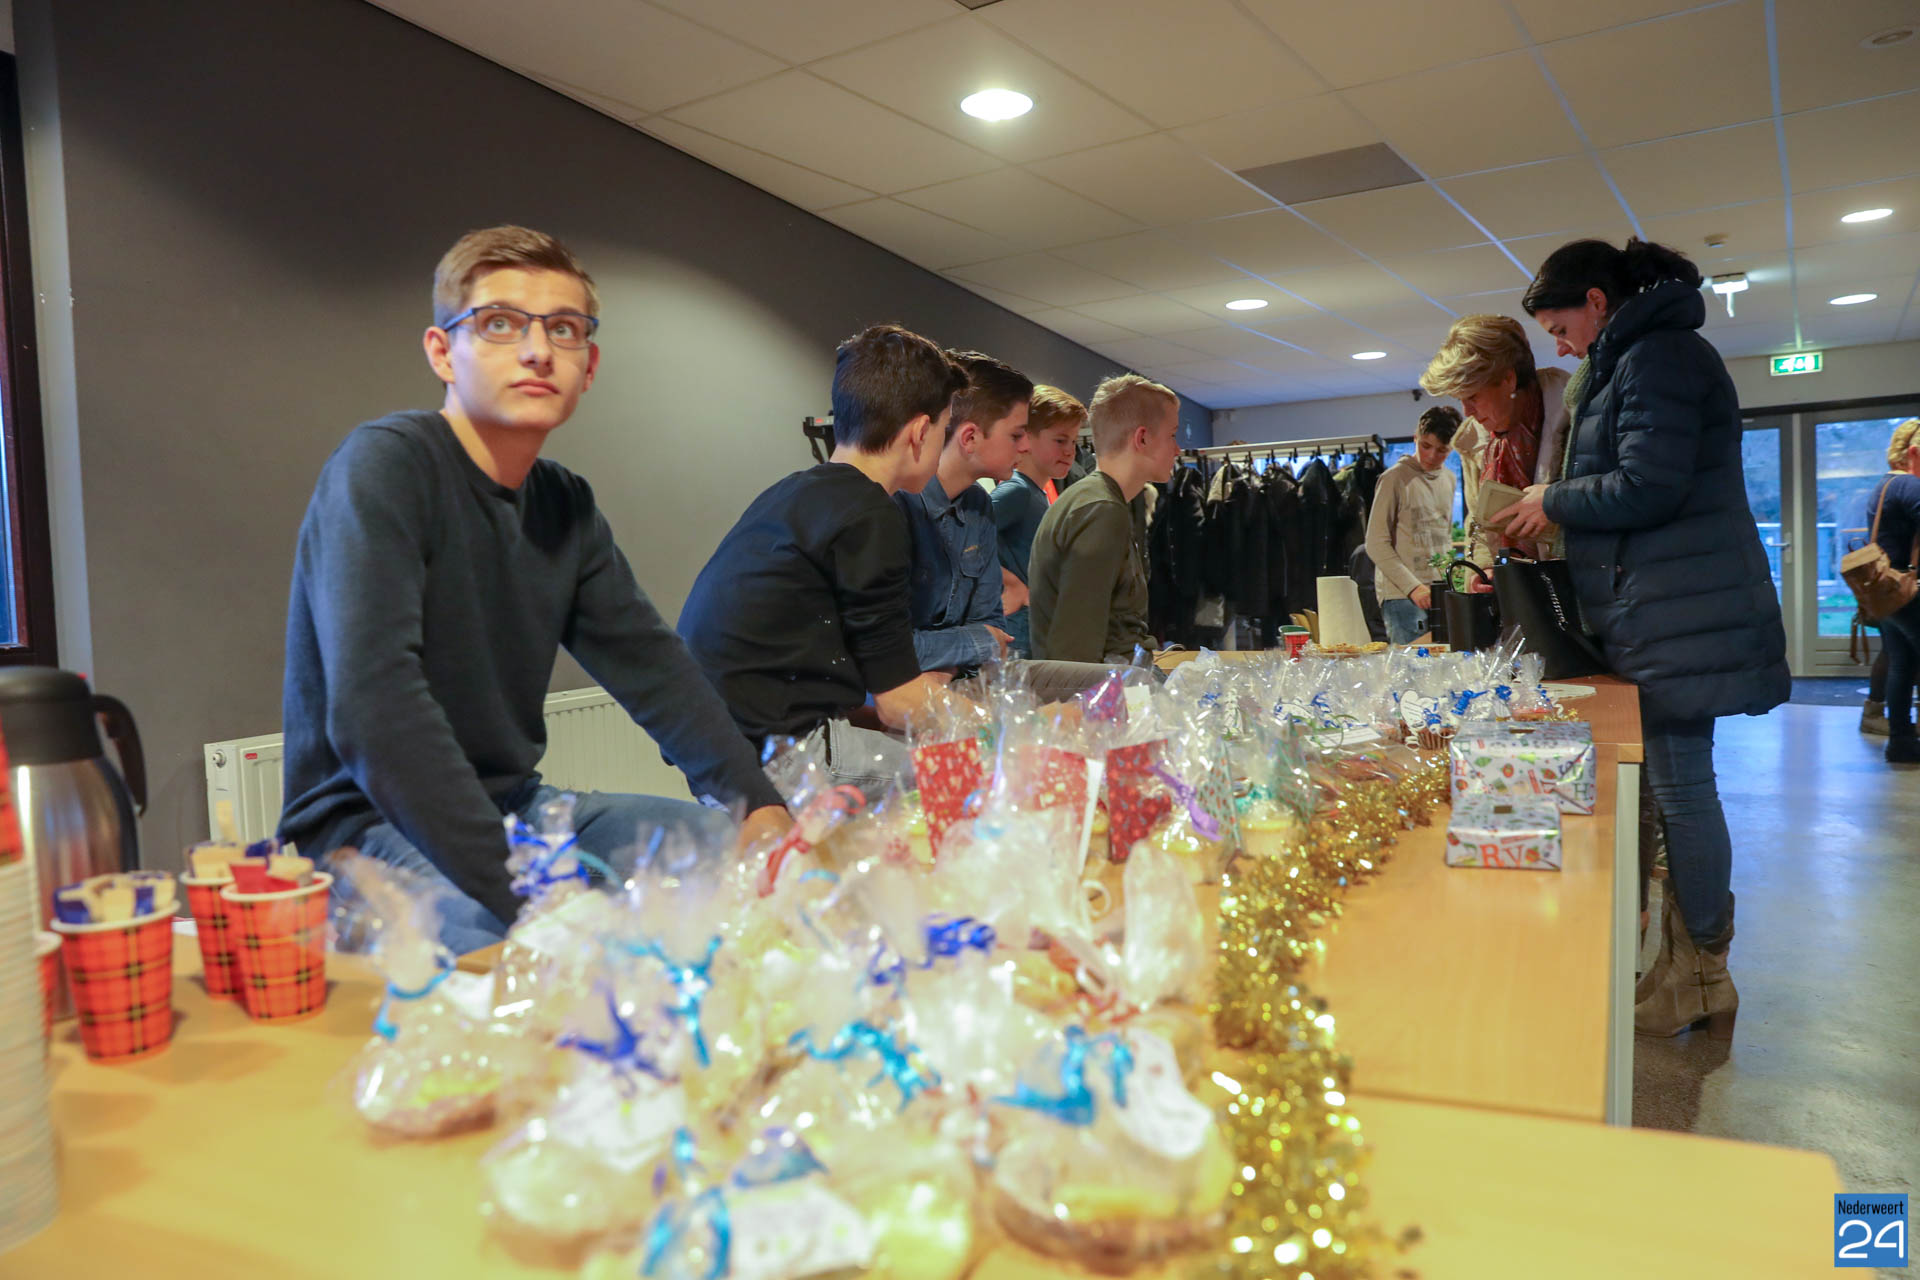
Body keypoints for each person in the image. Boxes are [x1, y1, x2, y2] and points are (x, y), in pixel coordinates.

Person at [278, 226, 790, 956]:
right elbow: (375, 711)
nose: (537, 350)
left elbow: (656, 671)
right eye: (499, 323)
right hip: (363, 831)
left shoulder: (563, 505)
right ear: (441, 351)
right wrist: (533, 895)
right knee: (524, 949)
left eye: (563, 329)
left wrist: (756, 806)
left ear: (589, 366)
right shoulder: (387, 466)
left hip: (518, 808)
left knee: (745, 863)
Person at [1498, 237, 1789, 1040]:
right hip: (1669, 609)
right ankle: (1688, 964)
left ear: (1597, 301)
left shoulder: (1657, 357)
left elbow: (1647, 484)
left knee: (1684, 788)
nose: (1561, 348)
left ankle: (1700, 973)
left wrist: (1553, 499)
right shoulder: (1639, 357)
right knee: (1676, 786)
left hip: (1679, 613)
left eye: (1562, 329)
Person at [678, 323, 967, 797]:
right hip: (783, 757)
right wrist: (994, 724)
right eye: (944, 429)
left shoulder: (793, 492)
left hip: (715, 753)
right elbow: (899, 703)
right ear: (919, 432)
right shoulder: (872, 515)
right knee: (972, 773)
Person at [896, 351, 1032, 674]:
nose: (1026, 446)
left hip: (963, 681)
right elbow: (892, 650)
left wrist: (968, 649)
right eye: (1016, 435)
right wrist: (977, 642)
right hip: (902, 693)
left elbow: (993, 628)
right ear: (969, 437)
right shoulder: (895, 504)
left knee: (1113, 682)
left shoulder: (978, 504)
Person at [1029, 375, 1181, 662]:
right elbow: (1076, 654)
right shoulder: (1101, 510)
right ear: (1142, 438)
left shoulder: (1098, 501)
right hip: (1106, 687)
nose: (1177, 449)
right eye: (1172, 435)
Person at [1419, 314, 1572, 572]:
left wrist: (1555, 506)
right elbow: (1479, 522)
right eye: (1459, 400)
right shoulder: (1474, 443)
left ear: (1508, 380)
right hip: (1516, 588)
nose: (1467, 412)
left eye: (1473, 397)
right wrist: (1482, 569)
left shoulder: (1578, 418)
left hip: (1578, 584)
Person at [992, 385, 1085, 658]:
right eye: (1060, 440)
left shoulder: (1035, 492)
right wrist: (1011, 582)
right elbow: (956, 539)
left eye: (1073, 442)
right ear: (1027, 437)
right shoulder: (1016, 491)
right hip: (1016, 635)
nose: (1070, 451)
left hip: (1030, 631)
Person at [1364, 405, 1460, 644]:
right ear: (1415, 437)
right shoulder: (1393, 478)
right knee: (1410, 665)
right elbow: (1375, 542)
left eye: (1441, 450)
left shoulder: (1449, 479)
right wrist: (1412, 587)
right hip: (1402, 595)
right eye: (1425, 446)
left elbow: (1445, 537)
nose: (1431, 456)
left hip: (1440, 592)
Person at [1859, 423, 1920, 764]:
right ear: (1913, 452)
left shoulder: (1884, 486)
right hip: (1910, 591)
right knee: (1903, 664)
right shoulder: (1908, 485)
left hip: (1888, 594)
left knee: (1902, 664)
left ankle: (1901, 742)